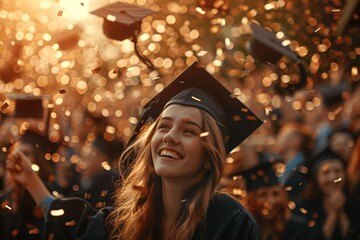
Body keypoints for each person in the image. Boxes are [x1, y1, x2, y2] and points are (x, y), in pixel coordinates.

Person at [6, 62, 263, 240]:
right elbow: (76, 228)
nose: (170, 136)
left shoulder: (230, 222)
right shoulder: (131, 217)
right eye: (163, 126)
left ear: (209, 156)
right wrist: (30, 180)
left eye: (188, 131)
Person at [235, 152, 308, 240]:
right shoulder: (241, 230)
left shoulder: (297, 228)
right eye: (262, 195)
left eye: (275, 194)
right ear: (251, 200)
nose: (271, 201)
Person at [0, 130, 57, 240]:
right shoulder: (5, 198)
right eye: (16, 153)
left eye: (26, 154)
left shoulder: (46, 193)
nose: (20, 158)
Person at [293, 147, 360, 240]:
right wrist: (333, 213)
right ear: (316, 178)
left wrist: (341, 212)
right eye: (326, 172)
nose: (332, 177)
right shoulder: (304, 206)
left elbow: (353, 236)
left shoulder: (355, 204)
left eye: (337, 171)